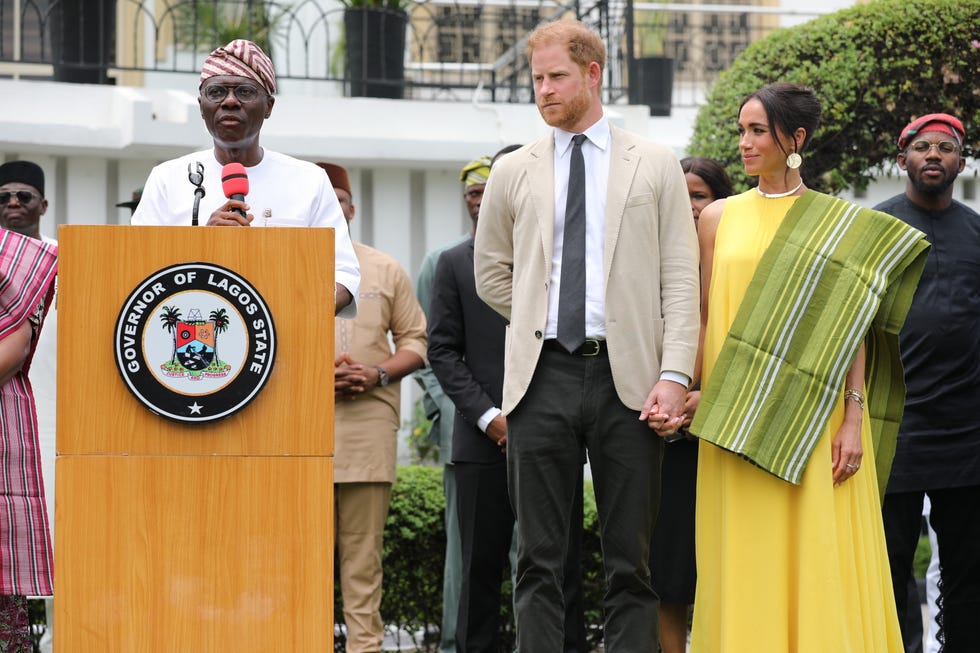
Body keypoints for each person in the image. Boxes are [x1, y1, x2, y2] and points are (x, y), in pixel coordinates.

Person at [473, 20, 700, 651]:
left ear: (592, 74)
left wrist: (675, 374)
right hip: (539, 377)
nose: (543, 91)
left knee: (632, 564)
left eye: (556, 78)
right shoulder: (513, 170)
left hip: (628, 380)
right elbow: (491, 272)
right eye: (536, 79)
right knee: (539, 560)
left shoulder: (652, 162)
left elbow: (680, 280)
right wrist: (539, 315)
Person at [686, 82, 930, 652]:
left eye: (756, 131)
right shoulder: (717, 218)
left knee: (812, 549)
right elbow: (701, 317)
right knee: (741, 548)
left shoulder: (835, 224)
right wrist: (690, 390)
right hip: (732, 419)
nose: (743, 143)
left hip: (812, 419)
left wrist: (853, 417)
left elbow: (849, 332)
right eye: (741, 130)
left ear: (794, 139)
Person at [428, 152, 587, 652]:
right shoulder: (455, 262)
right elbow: (442, 350)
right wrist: (490, 418)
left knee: (563, 570)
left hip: (555, 437)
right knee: (478, 571)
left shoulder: (566, 263)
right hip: (482, 446)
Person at [130, 39, 359, 317]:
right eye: (216, 92)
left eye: (245, 91)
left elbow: (343, 275)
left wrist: (295, 312)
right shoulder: (167, 178)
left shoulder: (310, 180)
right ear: (201, 106)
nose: (229, 101)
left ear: (268, 106)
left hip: (290, 344)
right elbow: (137, 270)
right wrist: (202, 243)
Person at [875, 112, 980, 653]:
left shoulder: (976, 232)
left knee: (968, 571)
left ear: (962, 161)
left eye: (945, 147)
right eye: (922, 147)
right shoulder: (876, 230)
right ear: (903, 161)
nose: (933, 154)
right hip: (896, 429)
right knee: (889, 567)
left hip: (968, 433)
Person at [320, 162, 427, 653]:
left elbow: (416, 342)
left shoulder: (383, 268)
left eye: (339, 203)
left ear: (351, 208)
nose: (333, 212)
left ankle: (366, 648)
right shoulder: (279, 267)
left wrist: (376, 373)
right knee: (305, 563)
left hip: (365, 432)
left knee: (362, 563)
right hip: (300, 436)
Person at [649, 156, 733, 653]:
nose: (687, 208)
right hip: (669, 439)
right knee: (670, 567)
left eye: (697, 196)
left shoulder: (739, 260)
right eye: (677, 197)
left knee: (725, 565)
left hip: (727, 434)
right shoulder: (653, 261)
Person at [412, 156, 488, 653]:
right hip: (466, 429)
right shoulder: (443, 262)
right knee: (465, 553)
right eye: (471, 194)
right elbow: (430, 351)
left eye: (486, 191)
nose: (478, 201)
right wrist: (458, 413)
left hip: (534, 429)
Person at [0, 165, 58, 649]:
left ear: (43, 205)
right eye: (4, 196)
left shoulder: (63, 262)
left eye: (25, 195)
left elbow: (16, 351)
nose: (14, 203)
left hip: (46, 420)